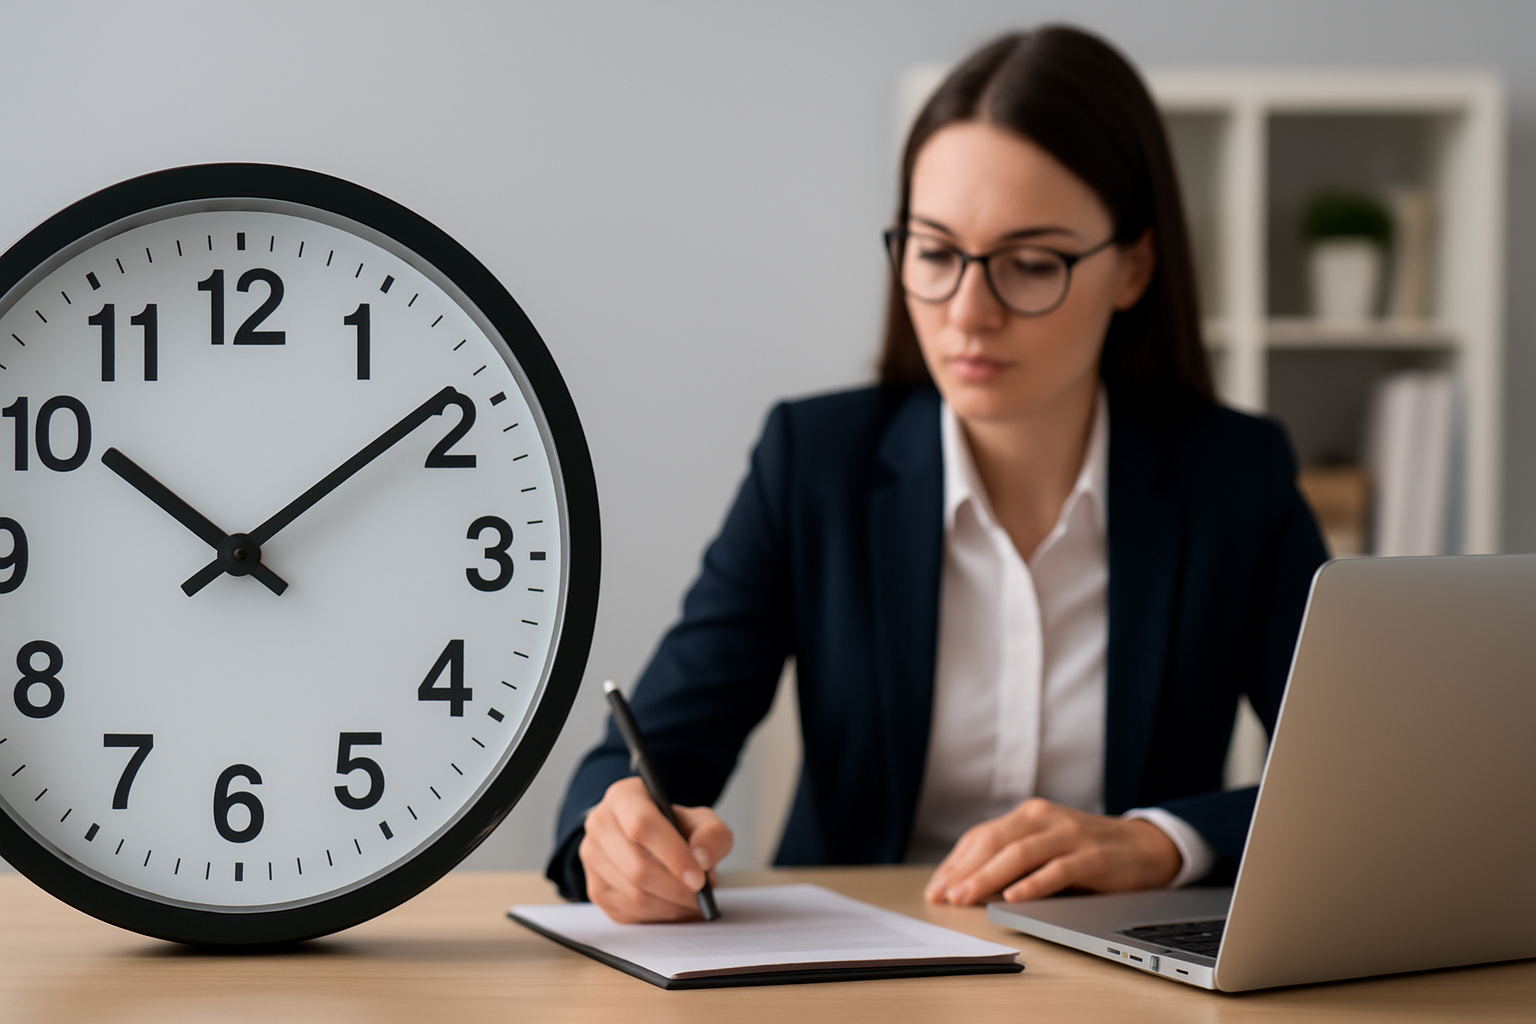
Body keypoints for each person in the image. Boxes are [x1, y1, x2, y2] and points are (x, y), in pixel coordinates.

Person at [548, 24, 1328, 924]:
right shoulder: (814, 461)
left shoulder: (1236, 477)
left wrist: (1158, 841)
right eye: (934, 253)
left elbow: (1360, 778)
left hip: (1124, 973)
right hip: (850, 966)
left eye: (1031, 265)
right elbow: (641, 757)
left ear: (1135, 267)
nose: (968, 312)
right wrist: (614, 836)